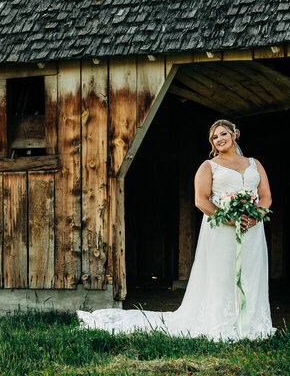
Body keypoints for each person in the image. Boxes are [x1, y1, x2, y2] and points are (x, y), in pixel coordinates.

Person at [78, 118, 275, 340]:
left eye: (223, 134)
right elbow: (201, 201)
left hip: (252, 231)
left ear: (234, 134)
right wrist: (230, 220)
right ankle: (223, 324)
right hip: (222, 230)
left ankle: (253, 323)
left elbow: (265, 196)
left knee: (252, 273)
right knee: (222, 276)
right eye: (214, 137)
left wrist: (256, 217)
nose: (219, 139)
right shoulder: (208, 166)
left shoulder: (254, 164)